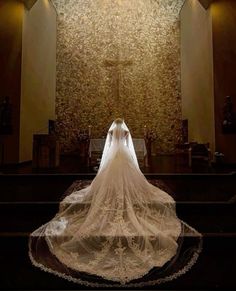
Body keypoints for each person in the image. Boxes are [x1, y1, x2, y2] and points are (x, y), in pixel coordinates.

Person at [29, 118, 202, 287]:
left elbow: (108, 148)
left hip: (113, 159)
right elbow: (130, 149)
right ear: (124, 126)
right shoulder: (125, 131)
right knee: (129, 181)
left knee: (108, 181)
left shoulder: (111, 131)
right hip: (125, 158)